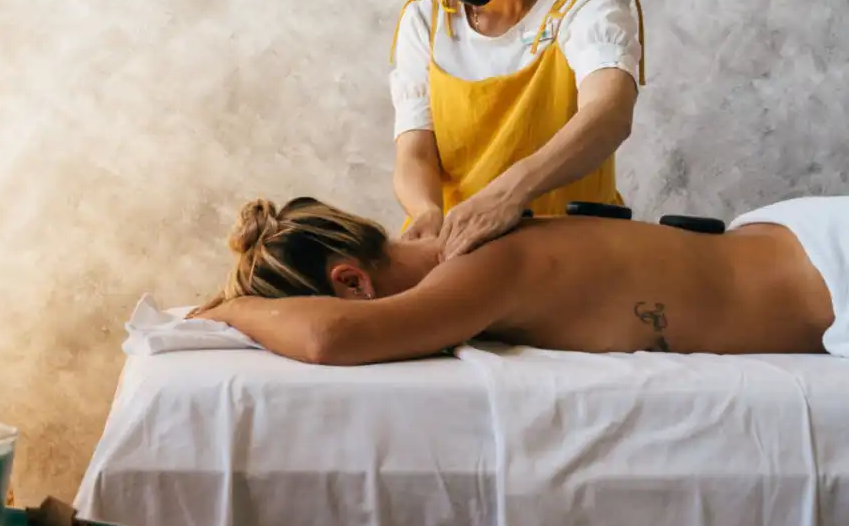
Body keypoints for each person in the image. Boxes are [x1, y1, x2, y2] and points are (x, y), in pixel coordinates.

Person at [191, 194, 849, 365]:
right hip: (797, 244)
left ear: (352, 284)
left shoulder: (479, 268)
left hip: (831, 267)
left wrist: (232, 310)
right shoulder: (455, 244)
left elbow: (330, 339)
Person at [386, 0, 645, 259]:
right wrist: (427, 212)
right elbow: (414, 152)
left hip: (576, 255)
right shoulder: (423, 22)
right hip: (462, 252)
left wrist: (510, 195)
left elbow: (609, 112)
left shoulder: (588, 7)